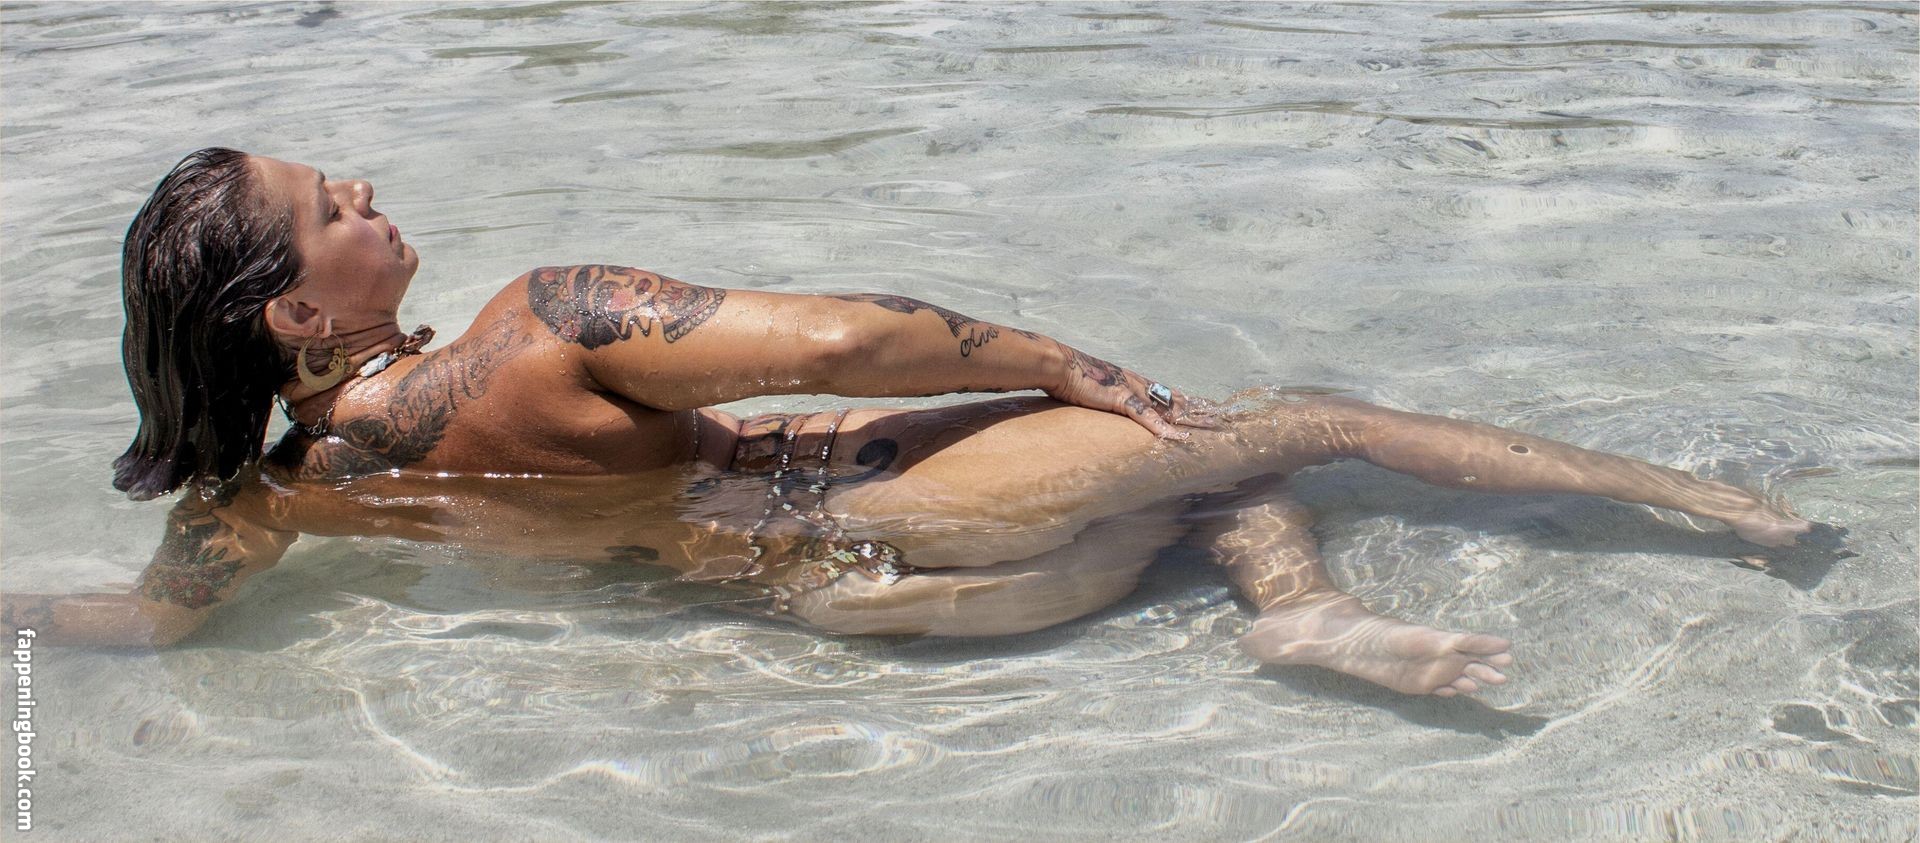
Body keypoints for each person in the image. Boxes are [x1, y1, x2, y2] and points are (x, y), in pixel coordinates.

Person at [0, 148, 1826, 699]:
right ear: (298, 309)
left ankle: (1305, 614)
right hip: (908, 521)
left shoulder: (266, 497)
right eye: (331, 205)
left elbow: (143, 626)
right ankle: (1737, 513)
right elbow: (847, 340)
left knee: (1206, 493)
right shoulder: (537, 324)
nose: (366, 187)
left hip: (853, 614)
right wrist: (1067, 362)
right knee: (1294, 421)